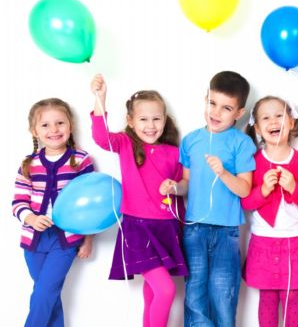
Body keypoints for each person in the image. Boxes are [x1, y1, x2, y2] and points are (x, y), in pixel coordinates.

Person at [90, 74, 187, 327]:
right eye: (143, 119)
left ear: (165, 121)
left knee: (153, 292)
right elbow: (102, 138)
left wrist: (175, 187)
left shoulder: (175, 152)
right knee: (165, 291)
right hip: (137, 230)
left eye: (157, 119)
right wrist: (100, 100)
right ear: (131, 122)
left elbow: (184, 187)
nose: (151, 125)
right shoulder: (125, 145)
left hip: (166, 229)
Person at [161, 71, 256, 327]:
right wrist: (174, 187)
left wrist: (223, 172)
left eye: (226, 108)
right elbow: (187, 184)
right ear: (205, 99)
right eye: (212, 103)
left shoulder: (242, 143)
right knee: (195, 295)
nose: (216, 112)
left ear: (238, 113)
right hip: (194, 229)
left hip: (226, 231)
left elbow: (245, 189)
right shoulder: (191, 141)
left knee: (223, 295)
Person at [12, 98, 95, 327]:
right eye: (45, 125)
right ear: (34, 130)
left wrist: (88, 239)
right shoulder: (28, 164)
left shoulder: (80, 160)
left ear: (70, 125)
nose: (54, 130)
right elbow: (18, 201)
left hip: (65, 239)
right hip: (34, 240)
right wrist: (30, 217)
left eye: (60, 123)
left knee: (44, 293)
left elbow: (90, 206)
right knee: (49, 295)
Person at [242, 96, 298, 327]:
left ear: (292, 122)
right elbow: (245, 203)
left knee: (292, 297)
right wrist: (263, 190)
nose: (273, 121)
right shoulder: (253, 162)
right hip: (263, 241)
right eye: (266, 117)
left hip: (293, 242)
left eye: (279, 115)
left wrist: (294, 187)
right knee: (267, 298)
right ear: (256, 127)